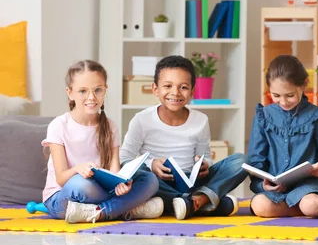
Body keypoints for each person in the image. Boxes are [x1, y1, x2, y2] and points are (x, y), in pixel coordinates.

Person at [120, 55, 248, 220]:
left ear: (192, 91)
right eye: (168, 86)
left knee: (242, 161)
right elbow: (124, 158)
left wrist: (204, 164)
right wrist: (151, 164)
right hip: (159, 183)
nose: (175, 93)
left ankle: (194, 201)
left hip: (193, 181)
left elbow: (206, 157)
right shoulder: (141, 120)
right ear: (155, 89)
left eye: (183, 87)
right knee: (139, 174)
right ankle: (203, 202)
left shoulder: (201, 120)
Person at [43, 60, 162, 223]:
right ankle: (125, 208)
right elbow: (61, 179)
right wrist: (78, 169)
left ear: (105, 90)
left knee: (150, 180)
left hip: (101, 191)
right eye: (82, 91)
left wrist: (120, 185)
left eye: (97, 90)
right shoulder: (59, 125)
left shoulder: (110, 126)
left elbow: (115, 173)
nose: (91, 97)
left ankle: (101, 212)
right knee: (81, 185)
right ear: (70, 93)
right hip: (63, 197)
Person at [248, 55, 318, 217]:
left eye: (289, 95)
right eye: (276, 96)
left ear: (304, 84)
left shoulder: (317, 115)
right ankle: (305, 209)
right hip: (276, 190)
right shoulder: (264, 115)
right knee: (259, 205)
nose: (283, 102)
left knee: (310, 203)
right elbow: (257, 161)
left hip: (309, 186)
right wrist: (263, 186)